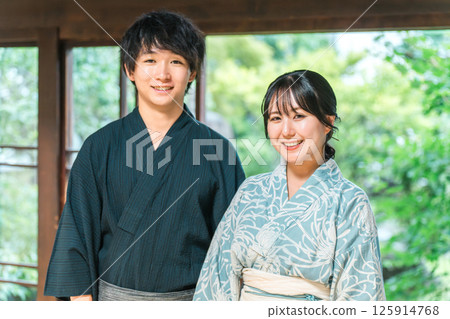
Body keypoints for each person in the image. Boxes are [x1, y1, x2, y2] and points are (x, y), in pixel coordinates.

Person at [44, 11, 245, 301]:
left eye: (175, 61)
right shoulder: (100, 146)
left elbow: (233, 246)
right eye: (150, 60)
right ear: (130, 69)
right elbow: (76, 231)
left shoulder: (218, 151)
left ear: (192, 72)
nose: (162, 74)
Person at [194, 70, 386, 301]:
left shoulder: (350, 200)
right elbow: (217, 279)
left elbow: (361, 295)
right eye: (276, 118)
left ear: (328, 123)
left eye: (298, 116)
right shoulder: (250, 191)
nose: (286, 131)